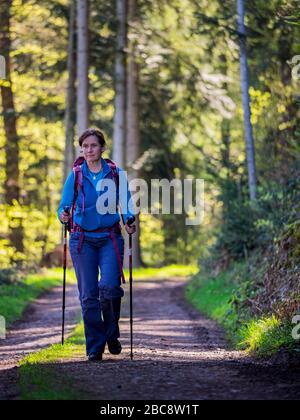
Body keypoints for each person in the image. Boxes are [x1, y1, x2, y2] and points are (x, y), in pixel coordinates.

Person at [58, 128, 136, 362]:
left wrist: (129, 220)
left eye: (93, 145)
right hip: (82, 240)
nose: (89, 150)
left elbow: (127, 204)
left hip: (109, 238)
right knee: (88, 295)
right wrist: (63, 214)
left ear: (102, 148)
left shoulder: (116, 174)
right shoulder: (76, 174)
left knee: (110, 288)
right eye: (85, 146)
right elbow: (64, 204)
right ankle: (95, 346)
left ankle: (111, 333)